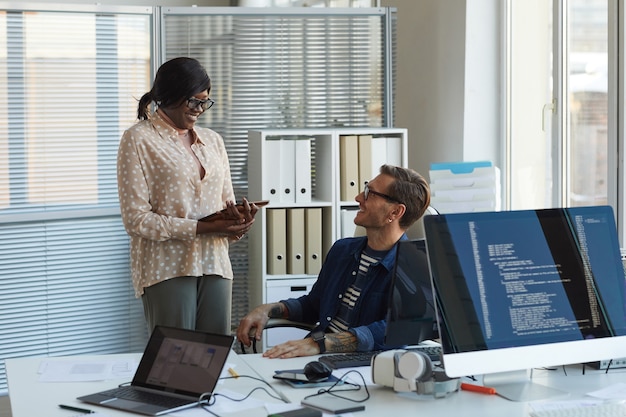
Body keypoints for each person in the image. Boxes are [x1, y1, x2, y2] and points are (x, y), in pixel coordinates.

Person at [117, 56, 259, 335]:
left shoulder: (214, 140)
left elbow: (225, 204)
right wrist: (202, 228)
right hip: (167, 267)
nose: (200, 110)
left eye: (205, 102)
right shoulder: (138, 139)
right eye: (194, 101)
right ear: (169, 96)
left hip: (215, 262)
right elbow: (136, 220)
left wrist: (237, 224)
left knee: (213, 355)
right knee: (172, 360)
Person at [237, 164, 431, 358]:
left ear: (395, 212)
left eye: (369, 193)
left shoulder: (414, 268)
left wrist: (321, 344)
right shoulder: (342, 250)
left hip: (362, 368)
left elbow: (395, 330)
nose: (358, 198)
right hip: (318, 357)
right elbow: (313, 306)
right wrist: (267, 310)